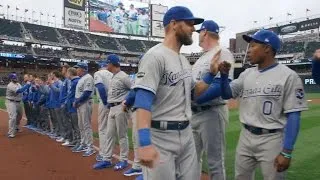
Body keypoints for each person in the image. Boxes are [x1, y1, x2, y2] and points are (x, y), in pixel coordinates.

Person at [133, 6, 221, 180]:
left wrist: (211, 74)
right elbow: (142, 100)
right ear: (174, 24)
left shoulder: (183, 59)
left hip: (187, 134)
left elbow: (194, 94)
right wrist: (144, 143)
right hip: (161, 136)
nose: (193, 29)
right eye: (189, 23)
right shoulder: (154, 56)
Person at [219, 29, 308, 180]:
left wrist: (286, 152)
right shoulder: (246, 74)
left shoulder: (288, 76)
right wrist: (223, 76)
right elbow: (227, 94)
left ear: (267, 48)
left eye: (253, 46)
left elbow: (294, 114)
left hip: (271, 139)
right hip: (245, 136)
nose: (249, 51)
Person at [191, 20, 235, 180]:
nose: (198, 36)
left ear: (204, 33)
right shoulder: (201, 58)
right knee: (191, 160)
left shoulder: (222, 52)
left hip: (212, 113)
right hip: (194, 114)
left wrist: (193, 99)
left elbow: (218, 87)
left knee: (215, 163)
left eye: (199, 33)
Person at [93, 54, 131, 170]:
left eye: (107, 63)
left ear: (112, 64)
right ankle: (107, 159)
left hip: (120, 107)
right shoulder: (113, 76)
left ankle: (124, 160)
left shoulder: (123, 76)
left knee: (122, 135)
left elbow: (134, 89)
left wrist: (127, 102)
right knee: (109, 134)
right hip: (112, 108)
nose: (106, 65)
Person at [72, 62, 96, 157]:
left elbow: (87, 93)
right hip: (80, 104)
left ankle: (90, 147)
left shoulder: (88, 78)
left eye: (78, 68)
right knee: (81, 125)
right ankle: (84, 143)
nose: (76, 70)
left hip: (85, 103)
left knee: (86, 125)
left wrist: (77, 101)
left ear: (83, 69)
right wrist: (76, 101)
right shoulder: (82, 79)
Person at [92, 60, 113, 166]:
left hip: (105, 103)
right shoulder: (112, 74)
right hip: (114, 103)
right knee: (110, 129)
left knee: (103, 129)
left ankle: (103, 153)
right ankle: (109, 152)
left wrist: (105, 102)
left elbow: (100, 87)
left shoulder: (98, 73)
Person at [5, 73, 26, 138]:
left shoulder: (18, 84)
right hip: (11, 102)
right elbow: (19, 91)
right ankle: (11, 132)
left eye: (16, 77)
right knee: (13, 117)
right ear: (11, 79)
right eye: (14, 78)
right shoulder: (10, 85)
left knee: (20, 115)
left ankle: (16, 126)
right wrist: (28, 85)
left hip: (19, 102)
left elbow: (22, 91)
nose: (16, 78)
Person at [66, 67, 81, 149]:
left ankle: (79, 141)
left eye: (67, 73)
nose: (66, 75)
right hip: (70, 106)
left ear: (70, 73)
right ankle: (76, 140)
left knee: (76, 125)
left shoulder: (76, 81)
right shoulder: (73, 81)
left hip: (74, 107)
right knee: (73, 124)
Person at [58, 64, 73, 146]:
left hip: (66, 103)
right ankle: (66, 136)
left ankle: (69, 138)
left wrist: (65, 102)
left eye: (63, 69)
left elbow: (69, 92)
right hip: (63, 102)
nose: (62, 71)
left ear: (67, 70)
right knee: (64, 120)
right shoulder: (65, 80)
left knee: (67, 121)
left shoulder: (68, 80)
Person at [48, 71, 63, 139]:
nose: (50, 76)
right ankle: (57, 132)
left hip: (57, 103)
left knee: (59, 119)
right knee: (54, 119)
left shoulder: (59, 82)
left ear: (54, 75)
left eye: (51, 75)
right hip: (52, 103)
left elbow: (59, 91)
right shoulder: (53, 83)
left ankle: (61, 133)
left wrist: (51, 85)